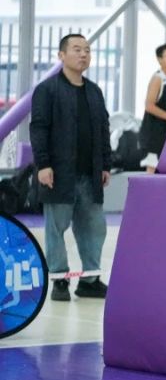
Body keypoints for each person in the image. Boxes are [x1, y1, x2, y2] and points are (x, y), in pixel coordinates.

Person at [30, 34, 112, 302]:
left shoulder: (94, 91)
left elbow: (103, 129)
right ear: (61, 55)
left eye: (87, 50)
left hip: (90, 174)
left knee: (94, 227)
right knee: (56, 229)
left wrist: (105, 164)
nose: (83, 54)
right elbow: (39, 128)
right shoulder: (47, 89)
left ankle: (90, 280)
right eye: (77, 49)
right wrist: (43, 164)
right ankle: (59, 279)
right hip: (58, 173)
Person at [139, 43, 166, 173]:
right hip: (153, 133)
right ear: (160, 59)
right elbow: (149, 106)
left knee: (163, 171)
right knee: (152, 169)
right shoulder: (158, 79)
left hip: (165, 132)